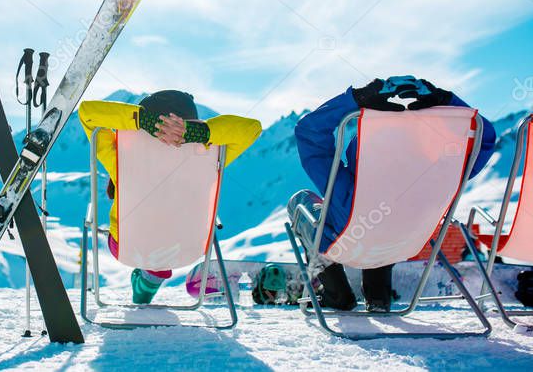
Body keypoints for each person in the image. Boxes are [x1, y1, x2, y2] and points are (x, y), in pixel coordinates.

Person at [287, 76, 496, 312]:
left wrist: (355, 99)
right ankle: (378, 296)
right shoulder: (438, 173)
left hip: (345, 245)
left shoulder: (348, 186)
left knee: (301, 202)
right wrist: (444, 99)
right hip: (405, 246)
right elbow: (484, 137)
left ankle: (338, 295)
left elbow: (308, 131)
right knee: (388, 220)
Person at [80, 90, 262, 304]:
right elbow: (252, 128)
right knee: (164, 233)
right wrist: (197, 133)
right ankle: (147, 284)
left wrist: (143, 121)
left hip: (128, 246)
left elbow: (87, 112)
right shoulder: (208, 154)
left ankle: (145, 286)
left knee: (150, 233)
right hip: (187, 247)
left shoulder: (121, 155)